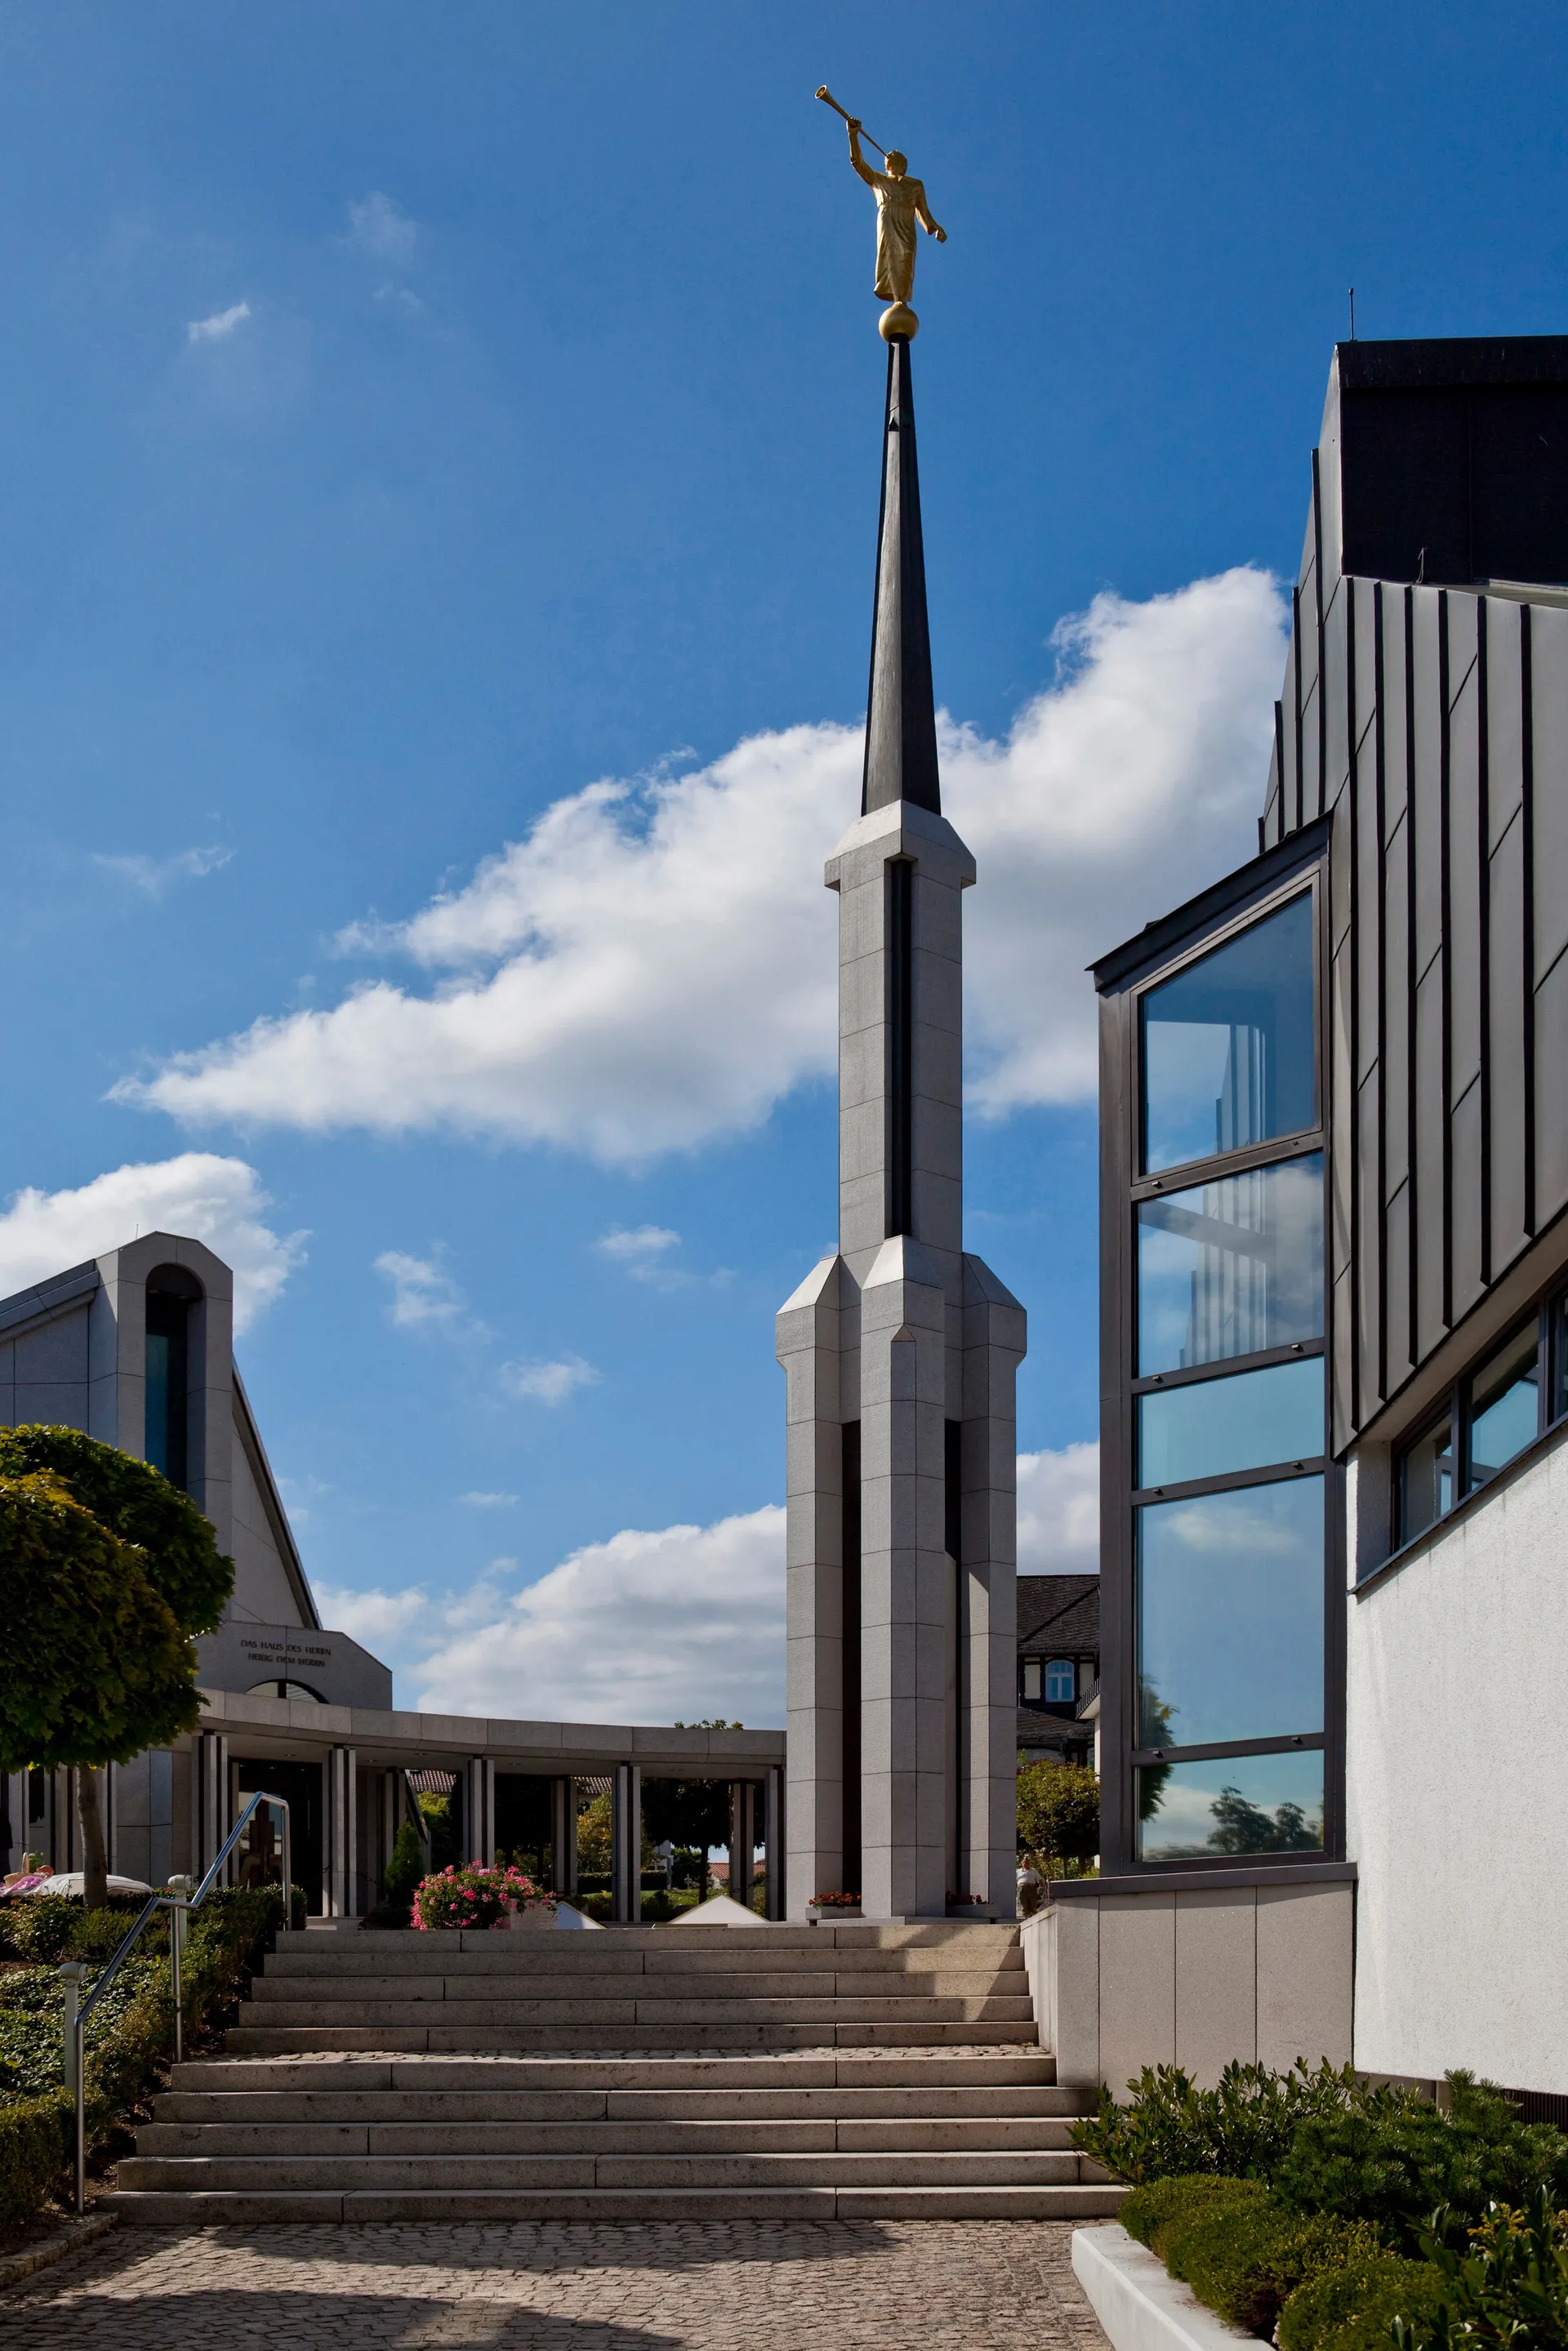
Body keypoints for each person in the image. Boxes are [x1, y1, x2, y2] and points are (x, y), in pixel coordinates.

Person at [846, 118, 946, 305]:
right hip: (888, 218)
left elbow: (923, 212)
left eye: (895, 155)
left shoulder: (915, 185)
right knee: (890, 254)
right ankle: (897, 298)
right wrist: (853, 135)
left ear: (903, 165)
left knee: (907, 256)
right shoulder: (879, 180)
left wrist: (936, 226)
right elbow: (857, 162)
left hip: (907, 223)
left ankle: (902, 297)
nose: (889, 155)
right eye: (888, 156)